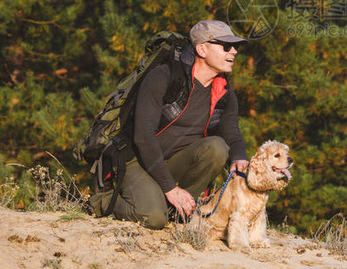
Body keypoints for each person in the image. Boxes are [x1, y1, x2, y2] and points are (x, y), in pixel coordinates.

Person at [90, 20, 249, 228]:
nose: (234, 51)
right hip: (136, 160)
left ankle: (180, 211)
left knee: (217, 148)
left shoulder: (223, 91)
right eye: (226, 46)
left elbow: (232, 134)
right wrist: (170, 188)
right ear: (202, 49)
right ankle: (101, 200)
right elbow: (143, 137)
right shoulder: (164, 76)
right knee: (154, 218)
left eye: (235, 46)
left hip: (172, 162)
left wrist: (239, 158)